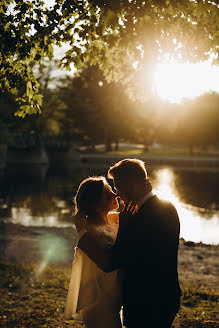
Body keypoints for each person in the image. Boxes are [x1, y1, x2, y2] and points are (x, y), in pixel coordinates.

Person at [78, 158, 181, 328]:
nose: (117, 192)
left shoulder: (139, 219)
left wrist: (124, 226)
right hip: (168, 296)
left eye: (118, 187)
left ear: (131, 186)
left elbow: (115, 259)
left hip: (146, 304)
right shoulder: (168, 207)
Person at [64, 176, 123, 328]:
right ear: (94, 204)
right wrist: (81, 231)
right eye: (108, 195)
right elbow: (105, 263)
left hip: (114, 301)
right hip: (98, 303)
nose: (115, 195)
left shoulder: (115, 219)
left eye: (113, 190)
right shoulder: (88, 232)